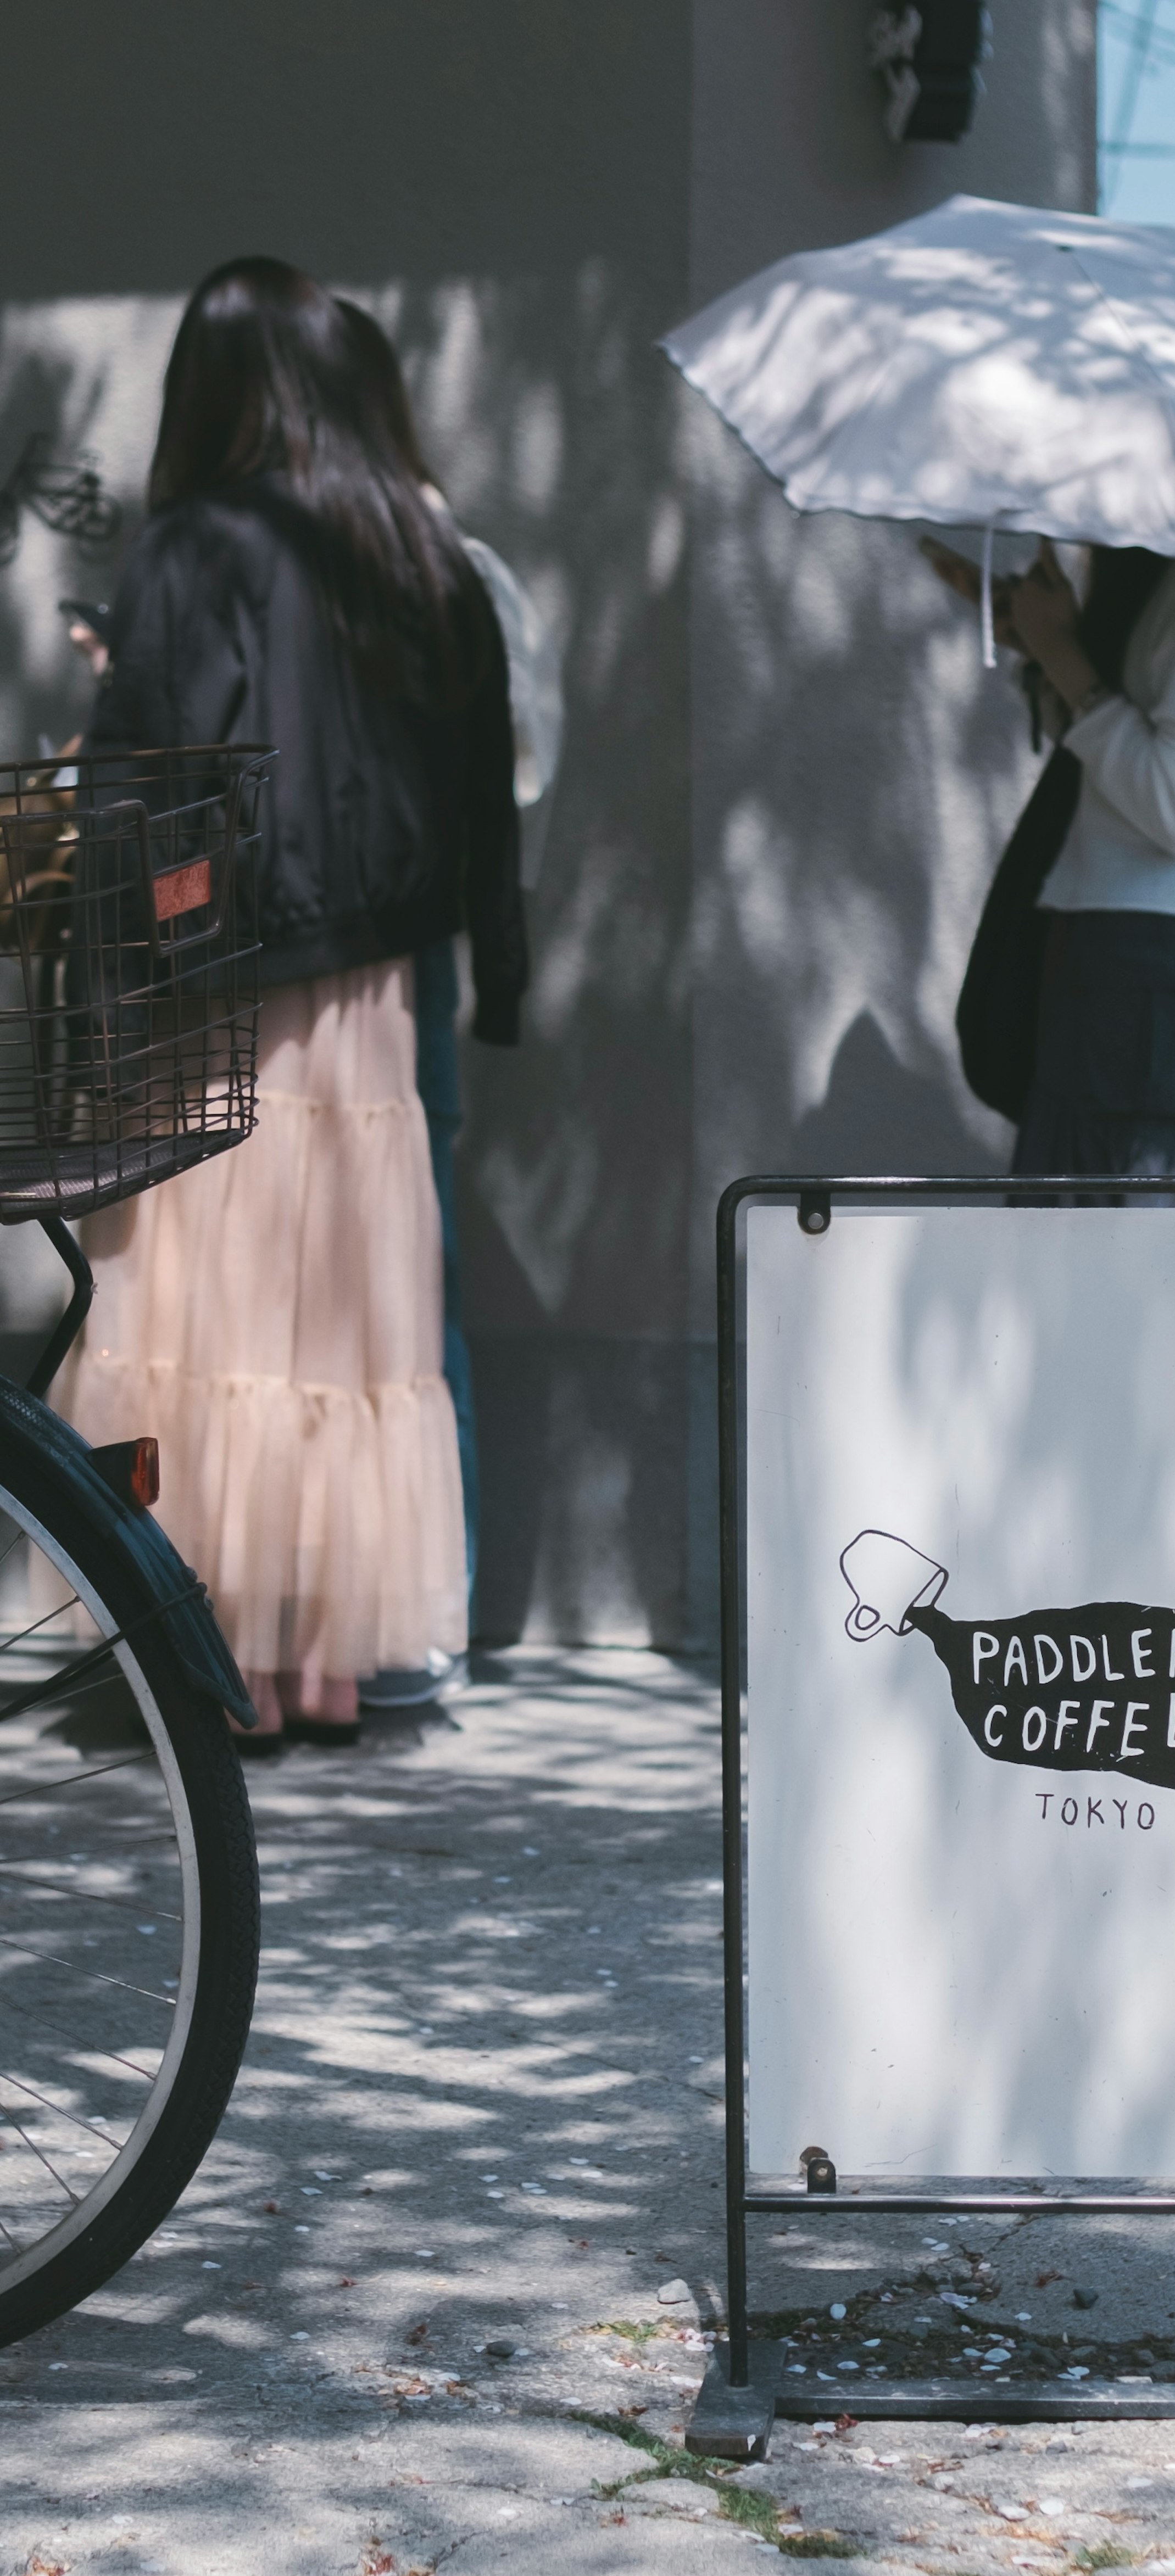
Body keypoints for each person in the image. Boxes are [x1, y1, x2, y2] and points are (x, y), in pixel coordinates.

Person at [59, 256, 525, 1747]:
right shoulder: (422, 549)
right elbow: (486, 789)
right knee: (342, 1325)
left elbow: (160, 779)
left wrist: (112, 944)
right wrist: (497, 964)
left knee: (207, 1312)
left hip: (222, 989)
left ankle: (227, 1665)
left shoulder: (198, 543)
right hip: (377, 992)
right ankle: (331, 1659)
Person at [337, 301, 565, 1702]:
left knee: (391, 1281)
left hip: (357, 954)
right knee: (408, 1279)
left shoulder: (421, 564)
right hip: (400, 946)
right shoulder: (442, 559)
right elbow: (521, 770)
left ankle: (418, 1609)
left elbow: (516, 766)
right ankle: (421, 1611)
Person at [935, 534, 1175, 1181]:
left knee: (1128, 1240)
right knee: (1127, 1237)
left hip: (1154, 966)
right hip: (1152, 954)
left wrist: (1061, 651)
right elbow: (1127, 763)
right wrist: (1053, 648)